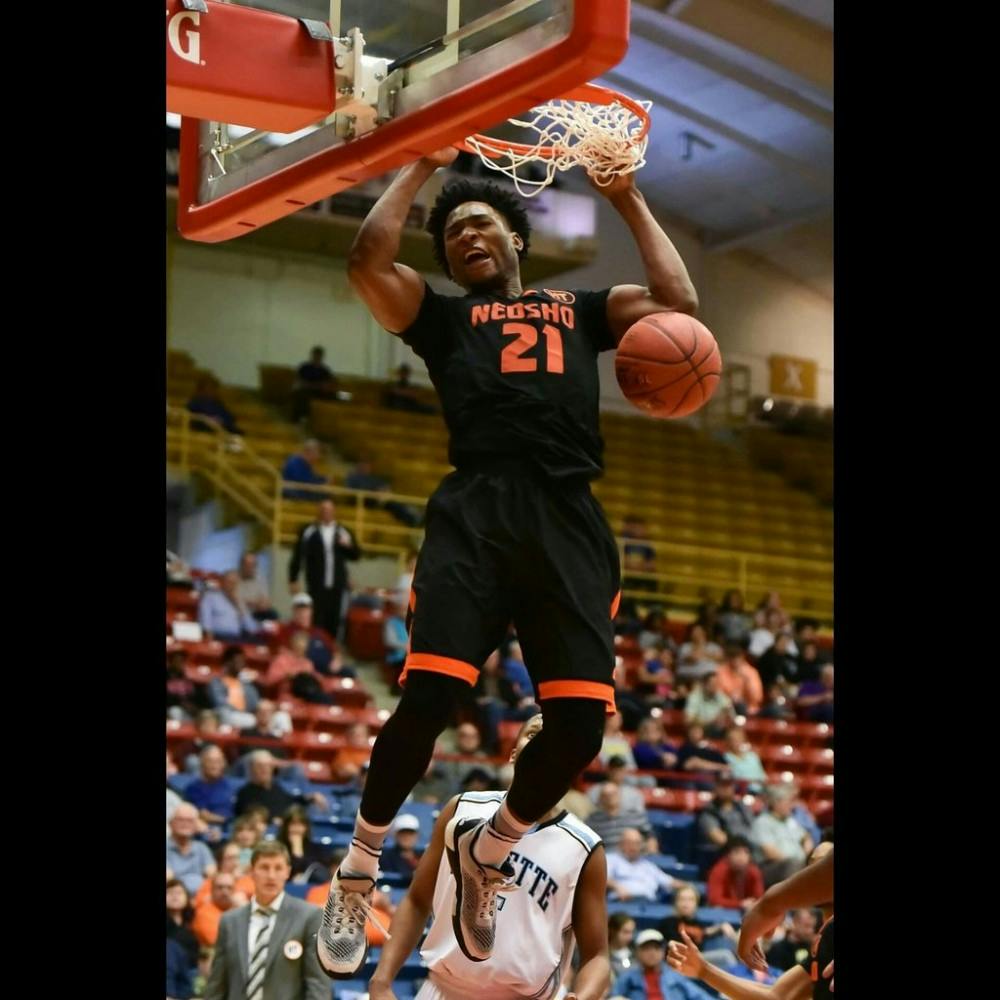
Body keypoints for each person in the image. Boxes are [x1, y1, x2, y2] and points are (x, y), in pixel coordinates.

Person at [322, 143, 698, 976]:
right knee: (430, 695)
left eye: (481, 224)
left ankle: (490, 852)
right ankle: (358, 865)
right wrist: (419, 166)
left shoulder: (586, 306)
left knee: (580, 727)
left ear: (517, 239)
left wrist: (628, 198)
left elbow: (680, 303)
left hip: (569, 516)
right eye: (452, 234)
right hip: (478, 511)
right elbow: (366, 259)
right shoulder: (442, 318)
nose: (465, 239)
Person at [366, 714, 612, 1000]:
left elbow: (598, 956)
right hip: (442, 989)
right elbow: (417, 899)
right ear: (513, 752)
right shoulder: (462, 810)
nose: (543, 744)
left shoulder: (585, 848)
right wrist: (381, 982)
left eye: (554, 739)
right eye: (533, 734)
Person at [671, 843, 834, 999]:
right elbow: (776, 996)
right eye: (813, 864)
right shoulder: (827, 936)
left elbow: (769, 903)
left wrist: (769, 907)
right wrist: (704, 970)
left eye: (826, 862)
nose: (819, 870)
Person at [203, 841, 328, 1000]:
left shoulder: (309, 917)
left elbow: (317, 983)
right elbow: (216, 985)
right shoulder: (230, 921)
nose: (271, 875)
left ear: (287, 872)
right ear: (252, 872)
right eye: (264, 867)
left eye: (278, 868)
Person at [288, 498, 361, 640]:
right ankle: (313, 649)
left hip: (337, 585)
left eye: (329, 509)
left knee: (333, 620)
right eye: (323, 509)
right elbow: (298, 555)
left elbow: (356, 555)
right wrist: (293, 578)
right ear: (319, 511)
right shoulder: (308, 531)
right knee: (315, 618)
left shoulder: (343, 531)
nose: (326, 512)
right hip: (316, 584)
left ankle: (330, 651)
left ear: (334, 511)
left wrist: (348, 546)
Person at [612, 928, 715, 999]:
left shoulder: (676, 976)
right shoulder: (628, 978)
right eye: (646, 948)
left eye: (656, 948)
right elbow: (613, 996)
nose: (652, 953)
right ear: (638, 952)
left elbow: (700, 996)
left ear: (663, 951)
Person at [751, 785, 813, 887]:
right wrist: (801, 864)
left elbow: (805, 836)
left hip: (798, 864)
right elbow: (770, 853)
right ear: (776, 803)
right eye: (788, 802)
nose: (791, 806)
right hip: (772, 867)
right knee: (793, 865)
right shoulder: (763, 822)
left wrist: (807, 854)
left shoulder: (790, 821)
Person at [606, 827, 675, 901]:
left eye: (637, 843)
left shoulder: (648, 866)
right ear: (621, 844)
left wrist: (687, 885)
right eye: (629, 843)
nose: (634, 847)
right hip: (621, 902)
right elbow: (601, 877)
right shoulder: (611, 859)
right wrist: (617, 887)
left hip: (648, 904)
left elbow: (669, 882)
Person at [167, 803, 218, 895]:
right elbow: (169, 880)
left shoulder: (201, 848)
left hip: (201, 897)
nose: (185, 824)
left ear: (196, 825)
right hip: (173, 897)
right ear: (170, 823)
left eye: (190, 821)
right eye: (180, 820)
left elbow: (212, 876)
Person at [198, 570, 260, 642]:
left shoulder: (239, 601)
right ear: (222, 583)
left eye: (235, 583)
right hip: (218, 636)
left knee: (259, 642)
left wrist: (239, 607)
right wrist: (208, 637)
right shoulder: (210, 597)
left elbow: (252, 629)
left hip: (237, 638)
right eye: (230, 582)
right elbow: (205, 622)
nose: (232, 586)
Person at [705, 836, 765, 911]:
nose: (741, 857)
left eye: (745, 852)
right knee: (717, 908)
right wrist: (740, 903)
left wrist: (750, 904)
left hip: (746, 911)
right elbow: (714, 900)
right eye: (737, 852)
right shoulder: (718, 871)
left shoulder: (754, 871)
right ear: (728, 855)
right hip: (724, 912)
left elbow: (759, 899)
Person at [276, 805, 332, 885]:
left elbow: (317, 872)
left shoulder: (316, 850)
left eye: (300, 825)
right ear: (286, 827)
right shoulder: (276, 847)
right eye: (293, 824)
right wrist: (297, 851)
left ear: (306, 828)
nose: (297, 829)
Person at [191, 871, 241, 948]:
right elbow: (217, 942)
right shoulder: (204, 913)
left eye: (229, 888)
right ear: (211, 891)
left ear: (235, 891)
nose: (225, 892)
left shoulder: (240, 909)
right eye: (220, 887)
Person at [292, 346, 340, 422]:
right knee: (301, 394)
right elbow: (300, 381)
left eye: (319, 356)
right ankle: (301, 418)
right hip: (306, 390)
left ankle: (329, 419)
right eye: (315, 355)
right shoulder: (304, 367)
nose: (317, 358)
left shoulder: (325, 370)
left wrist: (327, 386)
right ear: (312, 356)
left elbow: (329, 383)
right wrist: (315, 385)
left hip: (320, 392)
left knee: (339, 395)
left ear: (321, 357)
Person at [378, 813, 424, 885]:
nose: (407, 837)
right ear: (395, 835)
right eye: (403, 833)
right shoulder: (384, 856)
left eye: (410, 833)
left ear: (417, 836)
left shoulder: (424, 856)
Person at [236, 552, 277, 621]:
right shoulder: (234, 579)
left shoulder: (261, 579)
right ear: (241, 565)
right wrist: (254, 603)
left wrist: (251, 603)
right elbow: (235, 600)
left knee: (273, 614)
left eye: (253, 565)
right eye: (247, 564)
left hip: (256, 613)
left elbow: (265, 602)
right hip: (240, 613)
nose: (250, 568)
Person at [608, 912, 638, 983]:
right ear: (613, 931)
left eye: (632, 932)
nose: (630, 937)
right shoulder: (602, 955)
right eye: (625, 932)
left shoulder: (637, 952)